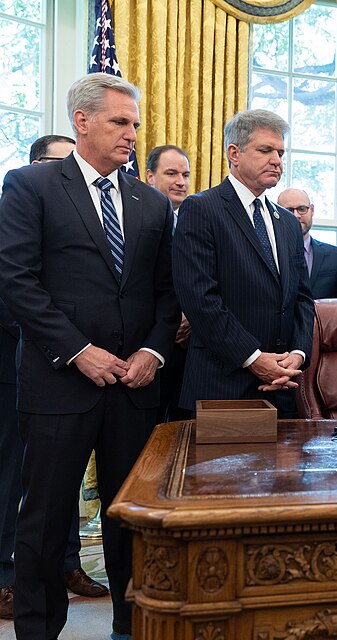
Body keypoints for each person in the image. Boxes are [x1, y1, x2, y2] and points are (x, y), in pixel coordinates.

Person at [0, 73, 180, 639]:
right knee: (46, 523)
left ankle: (129, 626)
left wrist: (152, 350)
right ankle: (37, 629)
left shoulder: (151, 202)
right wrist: (79, 352)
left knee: (130, 522)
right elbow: (16, 278)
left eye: (134, 123)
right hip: (60, 384)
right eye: (119, 122)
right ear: (82, 121)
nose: (132, 134)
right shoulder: (31, 185)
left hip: (134, 386)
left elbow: (166, 289)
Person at [0, 134, 110, 622]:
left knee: (61, 479)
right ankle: (5, 576)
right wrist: (62, 344)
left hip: (85, 365)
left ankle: (67, 564)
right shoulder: (22, 199)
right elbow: (16, 285)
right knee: (17, 481)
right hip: (18, 362)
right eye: (56, 160)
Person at [173, 109, 314, 418]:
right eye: (266, 150)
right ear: (234, 154)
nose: (277, 159)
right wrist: (253, 359)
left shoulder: (288, 223)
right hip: (221, 387)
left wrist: (298, 355)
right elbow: (200, 300)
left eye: (280, 152)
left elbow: (302, 298)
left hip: (281, 389)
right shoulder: (202, 208)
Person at [146, 144, 193, 424]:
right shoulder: (133, 219)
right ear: (150, 176)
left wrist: (192, 319)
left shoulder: (196, 219)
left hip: (187, 348)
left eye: (185, 175)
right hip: (147, 344)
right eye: (172, 173)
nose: (181, 182)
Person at [277, 187, 337, 299]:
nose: (296, 215)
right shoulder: (268, 253)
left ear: (312, 210)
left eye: (302, 209)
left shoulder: (336, 256)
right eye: (288, 211)